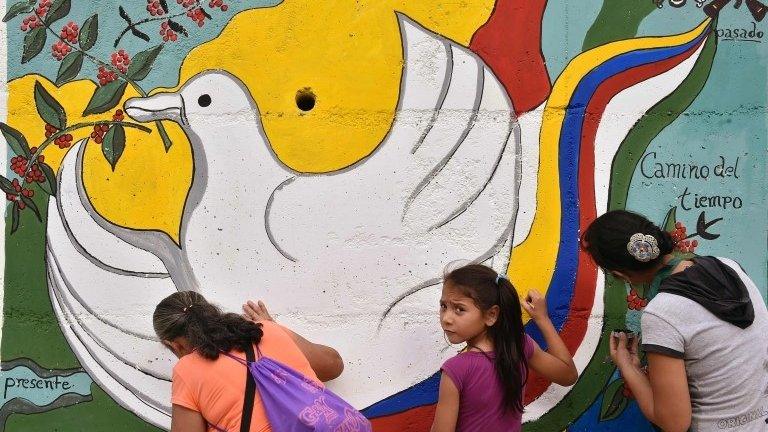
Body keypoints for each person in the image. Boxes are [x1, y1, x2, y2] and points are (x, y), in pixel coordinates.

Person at [581, 210, 768, 432]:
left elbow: (674, 423)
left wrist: (628, 367)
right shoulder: (730, 267)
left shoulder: (662, 313)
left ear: (620, 275)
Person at [153, 291, 345, 432]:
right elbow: (333, 365)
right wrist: (274, 328)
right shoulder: (266, 331)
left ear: (174, 345)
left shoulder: (187, 370)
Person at [430, 263, 578, 432]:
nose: (446, 318)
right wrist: (542, 319)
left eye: (459, 309)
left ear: (491, 315)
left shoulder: (455, 370)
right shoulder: (520, 346)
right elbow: (568, 375)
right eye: (444, 306)